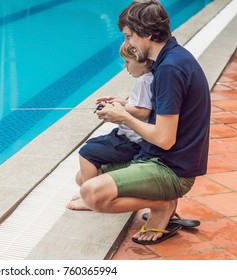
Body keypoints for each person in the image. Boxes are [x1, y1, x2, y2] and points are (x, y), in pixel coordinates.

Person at [68, 0, 210, 245]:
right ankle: (159, 200)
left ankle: (162, 204)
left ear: (147, 34)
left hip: (171, 170)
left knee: (92, 193)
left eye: (129, 36)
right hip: (154, 157)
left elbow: (165, 140)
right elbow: (156, 110)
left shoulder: (170, 70)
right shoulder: (168, 60)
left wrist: (123, 118)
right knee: (83, 178)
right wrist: (124, 104)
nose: (128, 45)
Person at [67, 42, 153, 209]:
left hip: (132, 141)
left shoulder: (144, 81)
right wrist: (121, 102)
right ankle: (93, 190)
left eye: (128, 62)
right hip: (128, 136)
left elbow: (143, 112)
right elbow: (141, 105)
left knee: (86, 153)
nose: (125, 67)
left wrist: (119, 109)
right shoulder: (150, 79)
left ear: (142, 61)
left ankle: (92, 199)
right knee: (81, 177)